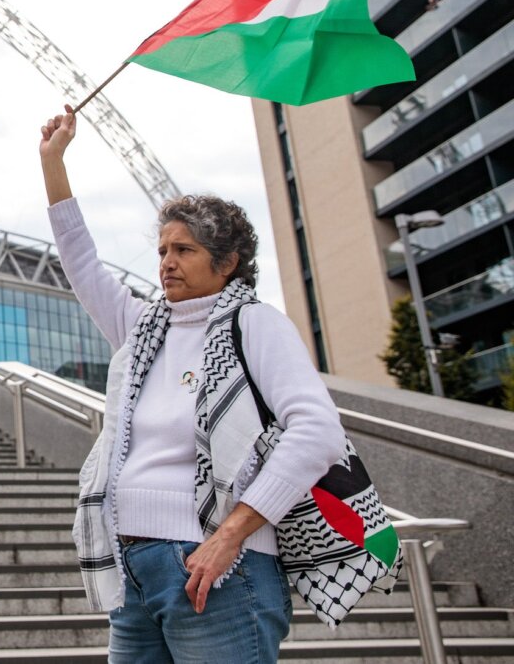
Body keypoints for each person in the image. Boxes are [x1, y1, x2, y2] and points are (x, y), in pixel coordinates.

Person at [39, 107, 346, 663]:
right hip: (133, 567)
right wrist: (53, 162)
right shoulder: (142, 330)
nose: (166, 264)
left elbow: (319, 433)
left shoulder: (254, 324)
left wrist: (230, 535)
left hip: (221, 569)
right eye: (161, 251)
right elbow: (81, 262)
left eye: (184, 251)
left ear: (227, 262)